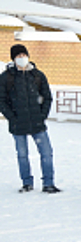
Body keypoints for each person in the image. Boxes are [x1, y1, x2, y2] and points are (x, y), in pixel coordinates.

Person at [0, 44, 60, 193]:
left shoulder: (37, 75)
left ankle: (48, 183)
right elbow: (1, 100)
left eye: (23, 55)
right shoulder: (6, 77)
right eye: (18, 56)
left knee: (46, 153)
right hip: (18, 124)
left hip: (37, 122)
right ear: (13, 59)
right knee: (22, 155)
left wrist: (42, 116)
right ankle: (27, 183)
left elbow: (47, 97)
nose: (22, 58)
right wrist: (12, 118)